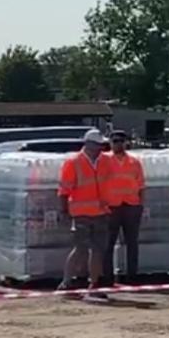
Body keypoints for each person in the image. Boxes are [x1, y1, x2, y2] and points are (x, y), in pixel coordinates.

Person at [57, 129, 112, 303]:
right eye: (97, 145)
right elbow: (64, 190)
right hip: (81, 214)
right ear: (88, 144)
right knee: (80, 249)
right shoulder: (73, 162)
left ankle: (94, 284)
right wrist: (64, 211)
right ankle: (66, 283)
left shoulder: (105, 161)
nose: (99, 148)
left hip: (101, 213)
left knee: (98, 250)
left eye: (101, 145)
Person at [102, 130, 145, 286]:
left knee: (132, 243)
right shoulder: (104, 160)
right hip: (111, 207)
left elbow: (141, 185)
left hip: (131, 205)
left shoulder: (134, 162)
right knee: (108, 244)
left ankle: (132, 277)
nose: (118, 144)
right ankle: (107, 278)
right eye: (115, 141)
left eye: (121, 141)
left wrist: (141, 205)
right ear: (110, 143)